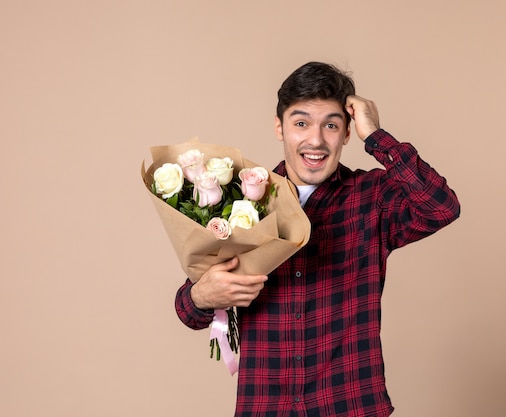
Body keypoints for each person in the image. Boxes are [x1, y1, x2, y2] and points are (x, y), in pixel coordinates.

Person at [175, 61, 461, 417]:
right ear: (279, 128)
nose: (315, 140)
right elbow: (188, 311)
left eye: (331, 124)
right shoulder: (241, 201)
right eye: (301, 123)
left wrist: (376, 135)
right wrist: (202, 295)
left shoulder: (373, 196)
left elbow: (441, 208)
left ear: (346, 132)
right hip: (265, 408)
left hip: (350, 406)